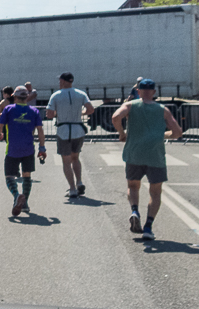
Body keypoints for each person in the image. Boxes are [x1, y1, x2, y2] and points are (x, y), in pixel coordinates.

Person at [112, 77, 183, 241]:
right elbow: (178, 132)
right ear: (154, 92)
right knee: (155, 192)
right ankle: (148, 227)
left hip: (134, 153)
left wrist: (122, 133)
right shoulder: (163, 109)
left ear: (138, 91)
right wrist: (164, 135)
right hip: (155, 155)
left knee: (133, 185)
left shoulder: (130, 106)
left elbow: (116, 117)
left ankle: (135, 211)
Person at [0, 85, 46, 217]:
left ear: (14, 96)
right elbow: (40, 130)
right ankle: (25, 204)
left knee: (9, 177)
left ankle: (17, 195)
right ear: (27, 97)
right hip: (29, 148)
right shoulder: (34, 111)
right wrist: (42, 148)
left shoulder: (8, 109)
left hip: (12, 148)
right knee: (27, 176)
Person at [46, 72, 96, 199]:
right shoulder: (81, 93)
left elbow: (49, 115)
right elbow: (91, 110)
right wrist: (81, 113)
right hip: (78, 129)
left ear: (62, 81)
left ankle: (72, 188)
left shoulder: (56, 95)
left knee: (66, 161)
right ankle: (79, 181)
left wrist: (60, 113)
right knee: (75, 158)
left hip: (63, 131)